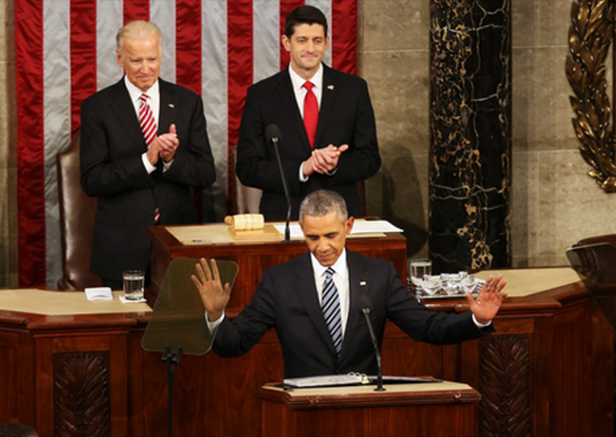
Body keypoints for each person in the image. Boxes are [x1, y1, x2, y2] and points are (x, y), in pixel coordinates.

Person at [192, 190, 507, 379]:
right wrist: (217, 316)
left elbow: (427, 327)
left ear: (349, 227)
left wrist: (477, 319)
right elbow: (235, 345)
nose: (323, 246)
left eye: (331, 235)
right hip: (303, 408)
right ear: (302, 230)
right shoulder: (280, 281)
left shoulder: (379, 274)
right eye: (313, 237)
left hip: (363, 407)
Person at [80, 21, 216, 289]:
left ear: (162, 55)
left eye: (152, 59)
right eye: (136, 60)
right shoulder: (98, 107)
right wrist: (147, 159)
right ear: (120, 58)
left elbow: (205, 174)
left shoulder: (188, 102)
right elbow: (92, 180)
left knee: (176, 329)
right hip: (121, 247)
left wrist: (170, 160)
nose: (145, 68)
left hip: (177, 241)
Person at [235, 5, 381, 221]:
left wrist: (334, 166)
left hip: (340, 216)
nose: (311, 48)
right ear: (287, 43)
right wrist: (303, 168)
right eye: (302, 40)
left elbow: (370, 158)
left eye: (317, 40)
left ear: (327, 42)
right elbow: (247, 167)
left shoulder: (353, 90)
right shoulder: (261, 95)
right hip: (284, 216)